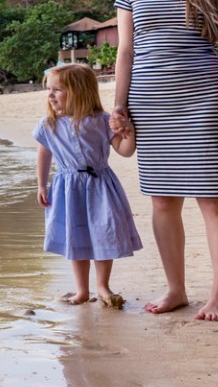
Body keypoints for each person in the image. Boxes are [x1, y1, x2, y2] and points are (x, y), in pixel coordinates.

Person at [111, 0, 218, 321]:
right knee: (162, 201)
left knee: (213, 198)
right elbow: (125, 52)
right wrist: (118, 106)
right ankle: (176, 290)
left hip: (206, 98)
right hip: (149, 104)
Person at [35, 64, 142, 308]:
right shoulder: (48, 124)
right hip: (67, 189)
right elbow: (44, 155)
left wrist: (129, 133)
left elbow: (125, 151)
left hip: (100, 186)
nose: (50, 95)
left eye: (57, 90)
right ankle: (82, 290)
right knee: (77, 237)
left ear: (79, 92)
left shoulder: (102, 121)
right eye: (49, 89)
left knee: (103, 234)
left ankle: (103, 286)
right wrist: (41, 185)